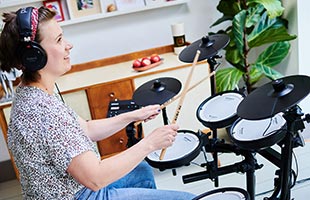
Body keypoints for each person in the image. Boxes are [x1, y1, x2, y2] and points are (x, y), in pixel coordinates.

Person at [0, 6, 196, 200]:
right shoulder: (44, 112)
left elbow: (85, 128)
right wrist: (150, 143)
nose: (69, 45)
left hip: (74, 188)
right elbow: (96, 178)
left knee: (141, 170)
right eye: (59, 40)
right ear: (34, 56)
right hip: (80, 195)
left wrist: (133, 115)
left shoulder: (31, 93)